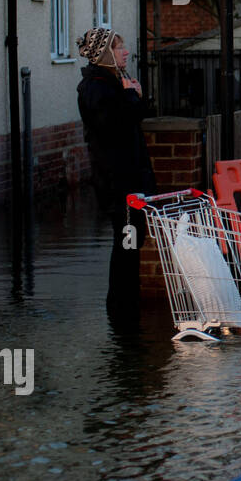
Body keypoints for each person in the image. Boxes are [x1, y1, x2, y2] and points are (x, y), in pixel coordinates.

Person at [76, 28, 157, 316]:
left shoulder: (110, 83)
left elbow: (129, 118)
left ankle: (126, 305)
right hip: (118, 182)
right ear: (105, 54)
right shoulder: (97, 86)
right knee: (126, 240)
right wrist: (133, 97)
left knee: (132, 239)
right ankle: (122, 309)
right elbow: (114, 127)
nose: (125, 52)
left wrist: (134, 96)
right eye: (119, 47)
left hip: (127, 179)